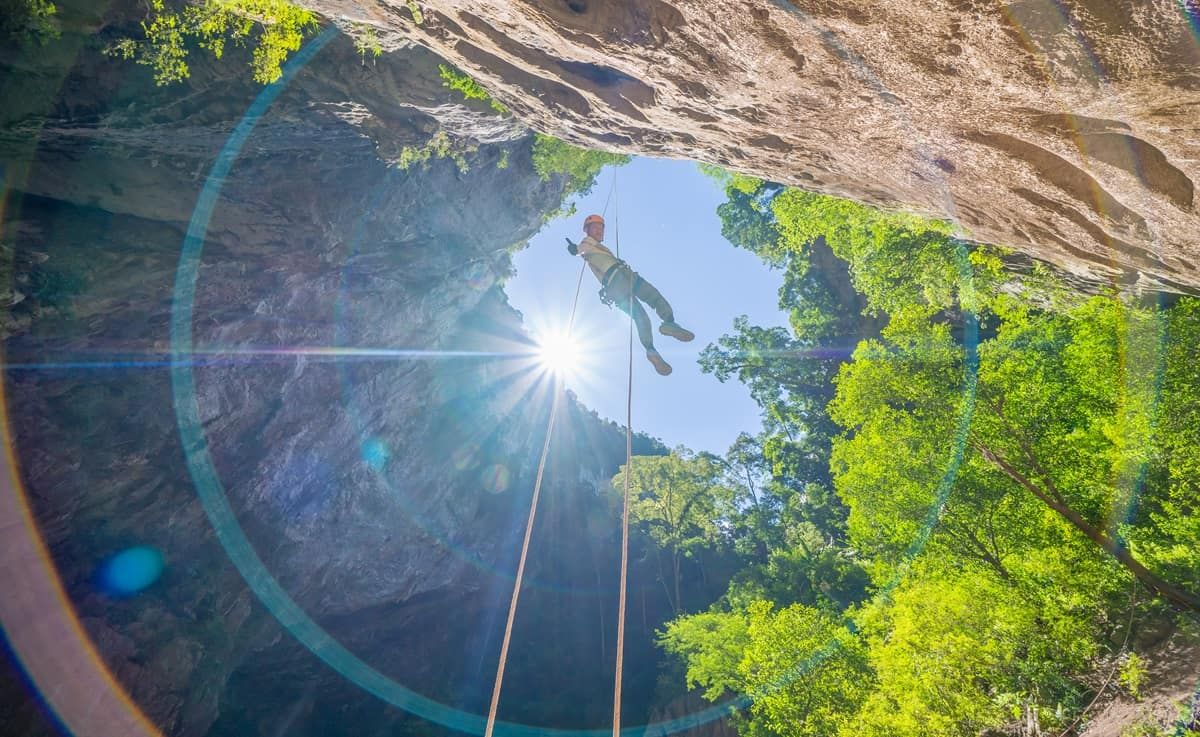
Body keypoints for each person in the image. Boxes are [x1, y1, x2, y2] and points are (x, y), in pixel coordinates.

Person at [567, 213, 693, 375]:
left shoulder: (600, 247)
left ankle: (653, 347)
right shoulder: (587, 243)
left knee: (642, 316)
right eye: (596, 227)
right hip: (619, 277)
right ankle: (668, 323)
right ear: (587, 230)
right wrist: (574, 249)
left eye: (601, 228)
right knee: (652, 298)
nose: (599, 230)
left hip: (619, 282)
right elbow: (580, 250)